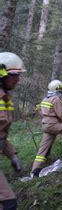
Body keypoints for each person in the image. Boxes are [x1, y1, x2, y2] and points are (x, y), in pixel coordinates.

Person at [31, 80, 62, 177]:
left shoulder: (45, 99)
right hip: (52, 124)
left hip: (45, 125)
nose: (61, 91)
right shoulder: (55, 99)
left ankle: (34, 172)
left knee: (43, 149)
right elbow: (61, 114)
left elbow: (40, 111)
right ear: (55, 89)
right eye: (60, 89)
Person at [0, 52, 26, 209]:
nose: (18, 79)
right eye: (14, 75)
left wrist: (12, 154)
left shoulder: (5, 99)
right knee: (8, 202)